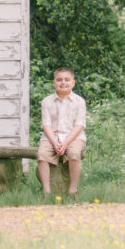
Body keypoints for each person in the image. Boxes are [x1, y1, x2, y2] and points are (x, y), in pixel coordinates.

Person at [37, 66, 86, 202]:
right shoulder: (47, 101)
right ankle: (46, 191)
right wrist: (55, 142)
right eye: (59, 80)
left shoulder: (79, 101)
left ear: (73, 82)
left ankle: (72, 189)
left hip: (74, 137)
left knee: (74, 154)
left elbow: (79, 125)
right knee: (42, 155)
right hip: (51, 136)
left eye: (66, 80)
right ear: (54, 83)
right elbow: (46, 124)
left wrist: (65, 144)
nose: (63, 83)